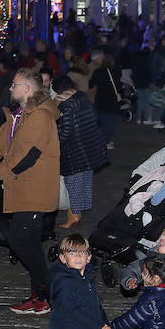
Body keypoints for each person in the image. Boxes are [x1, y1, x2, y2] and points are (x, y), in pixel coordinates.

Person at [0, 68, 61, 314]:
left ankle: (49, 293)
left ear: (27, 90)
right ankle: (41, 296)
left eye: (14, 85)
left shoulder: (40, 116)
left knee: (21, 242)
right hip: (22, 188)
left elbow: (26, 158)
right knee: (26, 242)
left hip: (34, 190)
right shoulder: (19, 115)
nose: (10, 89)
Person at [51, 75, 107, 232]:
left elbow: (65, 132)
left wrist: (54, 142)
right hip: (89, 146)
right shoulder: (81, 97)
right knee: (85, 179)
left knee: (73, 182)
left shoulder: (66, 105)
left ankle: (74, 215)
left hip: (75, 150)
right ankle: (82, 206)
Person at [88, 51, 122, 149]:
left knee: (101, 122)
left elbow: (91, 84)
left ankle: (100, 141)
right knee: (110, 124)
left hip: (100, 100)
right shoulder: (115, 72)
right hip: (111, 101)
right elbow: (119, 87)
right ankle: (105, 142)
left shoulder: (97, 72)